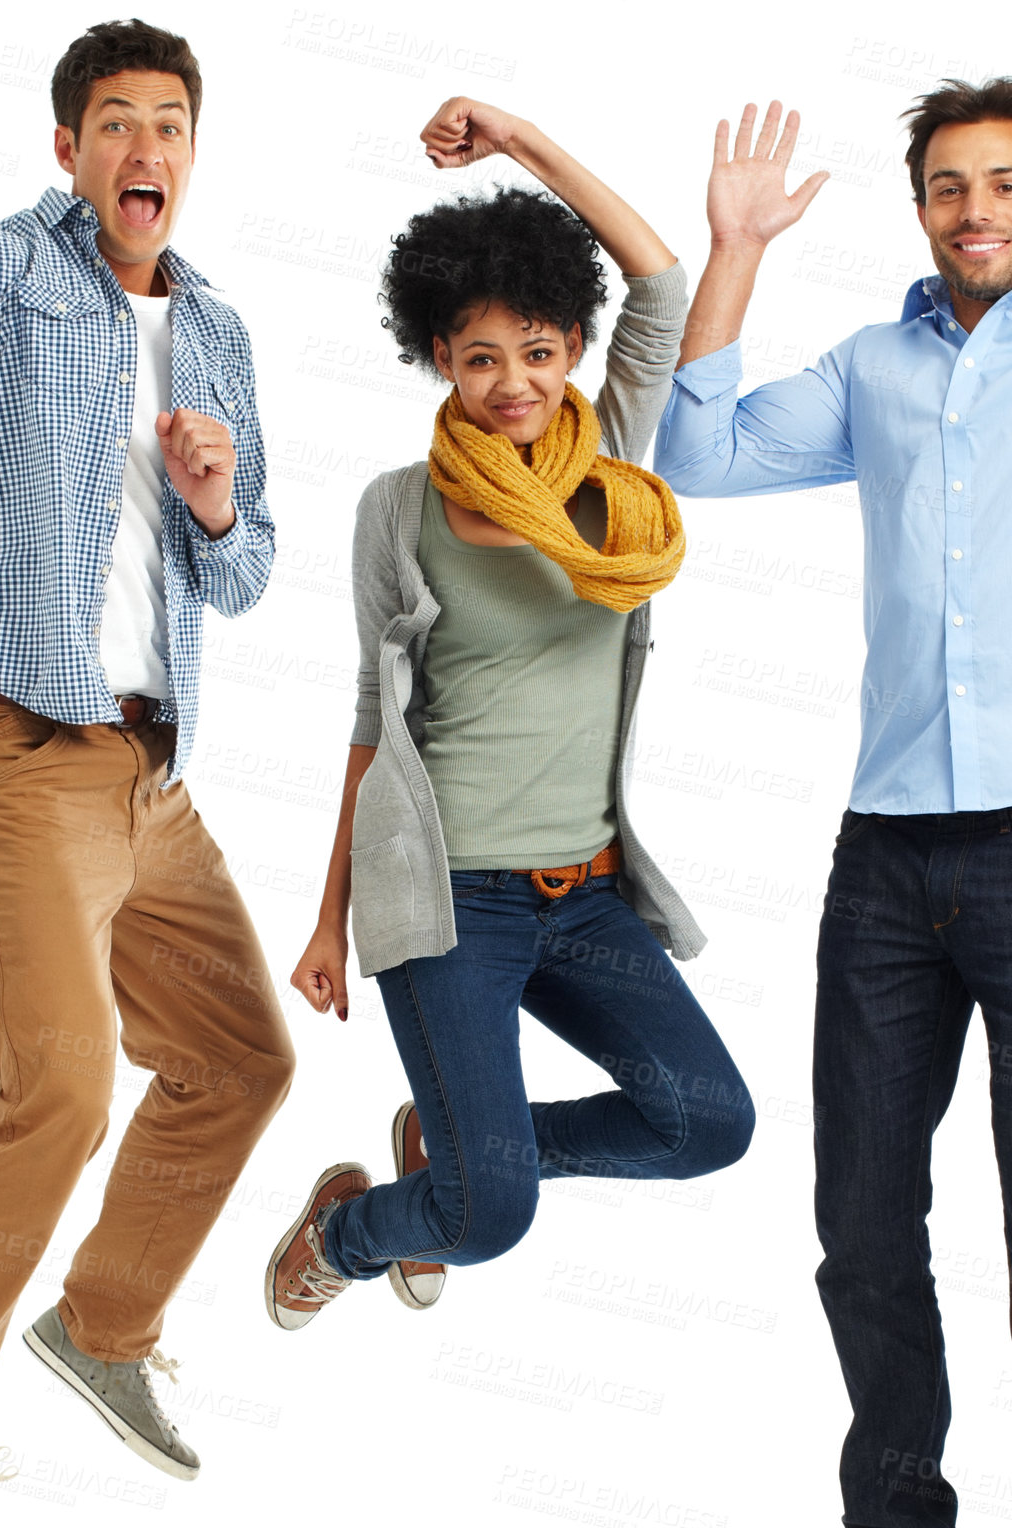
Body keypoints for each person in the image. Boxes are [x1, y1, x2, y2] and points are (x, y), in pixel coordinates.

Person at [653, 82, 1012, 1528]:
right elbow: (694, 457)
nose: (979, 212)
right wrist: (738, 248)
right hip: (886, 861)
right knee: (863, 1226)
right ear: (922, 210)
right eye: (952, 187)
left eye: (1007, 185)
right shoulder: (875, 367)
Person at [0, 6, 295, 1522]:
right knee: (54, 1090)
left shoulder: (222, 330)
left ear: (193, 155)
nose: (148, 149)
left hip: (148, 771)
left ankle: (100, 1325)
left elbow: (248, 579)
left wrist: (209, 505)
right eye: (118, 123)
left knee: (241, 1059)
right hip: (6, 745)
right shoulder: (1, 269)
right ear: (70, 149)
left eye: (170, 127)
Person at [265, 96, 754, 1329]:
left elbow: (660, 278)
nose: (512, 382)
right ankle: (347, 1233)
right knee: (492, 1219)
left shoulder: (618, 472)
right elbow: (374, 724)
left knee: (707, 1121)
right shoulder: (397, 508)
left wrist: (520, 143)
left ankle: (463, 1145)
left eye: (537, 349)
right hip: (446, 898)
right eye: (480, 356)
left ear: (574, 347)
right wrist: (326, 919)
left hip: (583, 891)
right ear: (441, 358)